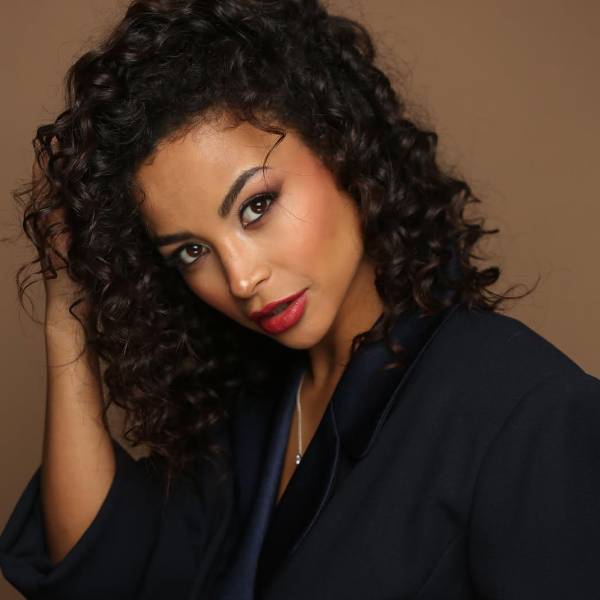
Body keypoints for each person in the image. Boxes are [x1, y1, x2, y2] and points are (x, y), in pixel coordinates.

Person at [1, 0, 599, 598]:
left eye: (256, 206)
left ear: (342, 144)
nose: (240, 279)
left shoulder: (531, 413)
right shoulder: (255, 405)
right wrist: (66, 311)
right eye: (191, 251)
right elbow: (101, 574)